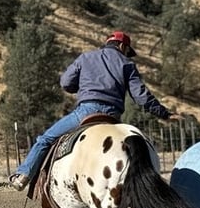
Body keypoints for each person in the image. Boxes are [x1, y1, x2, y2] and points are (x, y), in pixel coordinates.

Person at [9, 30, 179, 191]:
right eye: (127, 51)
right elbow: (142, 96)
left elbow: (66, 83)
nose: (126, 54)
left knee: (45, 140)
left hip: (86, 111)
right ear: (122, 46)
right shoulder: (127, 64)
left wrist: (82, 86)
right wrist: (165, 114)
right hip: (112, 115)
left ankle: (23, 175)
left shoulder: (86, 58)